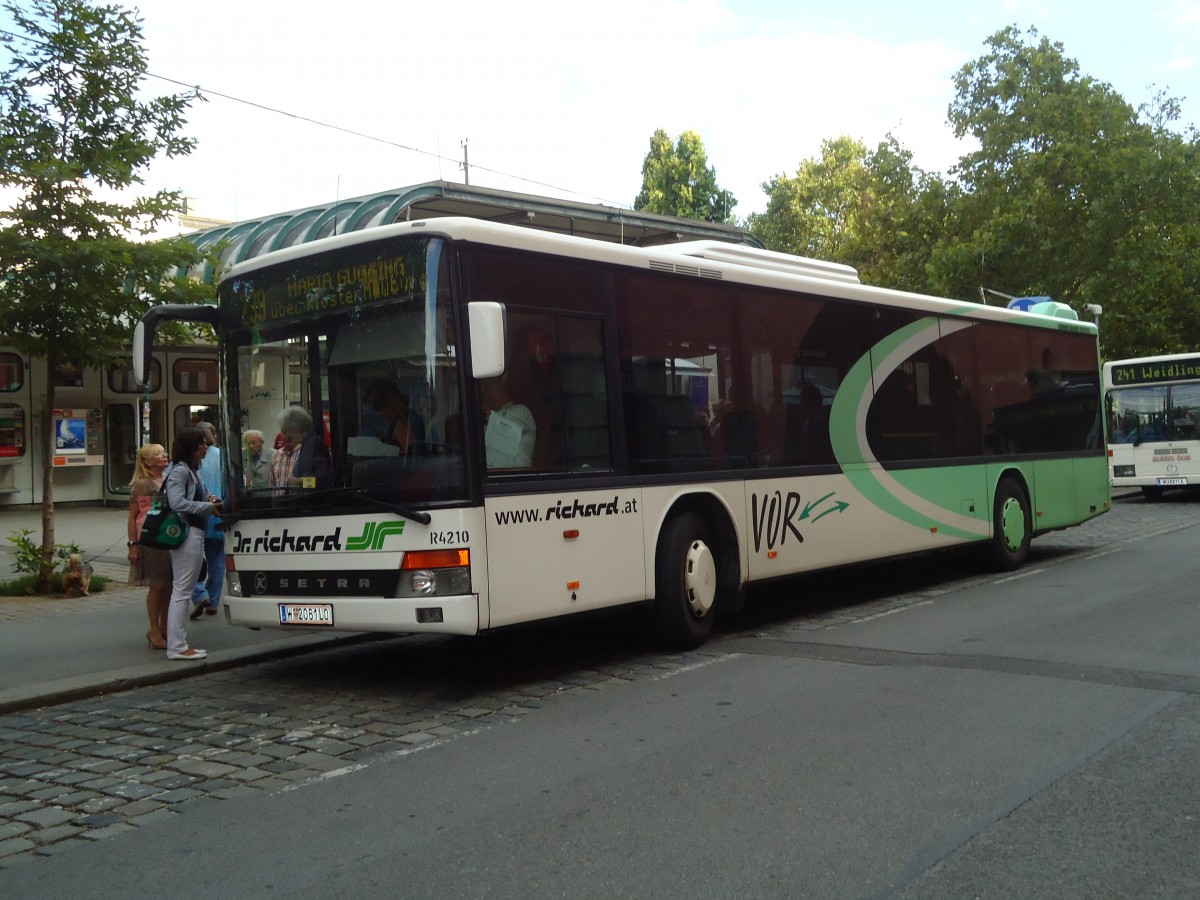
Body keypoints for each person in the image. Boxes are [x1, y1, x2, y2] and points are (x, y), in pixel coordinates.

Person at [164, 427, 221, 661]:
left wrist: (212, 500)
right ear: (191, 448)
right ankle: (177, 646)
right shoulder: (180, 471)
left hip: (194, 533)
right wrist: (208, 507)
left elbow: (202, 496)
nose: (206, 447)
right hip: (187, 534)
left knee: (183, 589)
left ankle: (179, 643)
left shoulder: (191, 471)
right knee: (182, 590)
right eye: (201, 444)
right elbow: (177, 502)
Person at [127, 443, 171, 650]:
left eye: (163, 453)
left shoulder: (169, 479)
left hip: (169, 537)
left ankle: (165, 626)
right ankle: (154, 629)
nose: (164, 456)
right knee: (157, 584)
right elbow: (133, 516)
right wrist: (133, 545)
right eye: (158, 455)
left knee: (168, 584)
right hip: (150, 538)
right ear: (147, 461)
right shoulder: (143, 485)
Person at [189, 422, 225, 620]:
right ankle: (213, 600)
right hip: (218, 512)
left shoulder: (189, 459)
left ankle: (199, 593)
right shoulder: (224, 457)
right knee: (217, 560)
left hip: (194, 515)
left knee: (191, 559)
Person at [481, 377, 536, 468]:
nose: (485, 389)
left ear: (503, 386)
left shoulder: (521, 413)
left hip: (516, 479)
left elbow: (496, 425)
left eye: (490, 384)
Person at [272, 406, 330, 489]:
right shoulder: (308, 444)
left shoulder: (313, 446)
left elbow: (318, 483)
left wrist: (296, 482)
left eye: (285, 432)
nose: (284, 438)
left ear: (296, 428)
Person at [363, 379, 426, 452]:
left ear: (387, 403)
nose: (376, 414)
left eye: (375, 407)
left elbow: (410, 455)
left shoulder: (401, 422)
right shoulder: (406, 417)